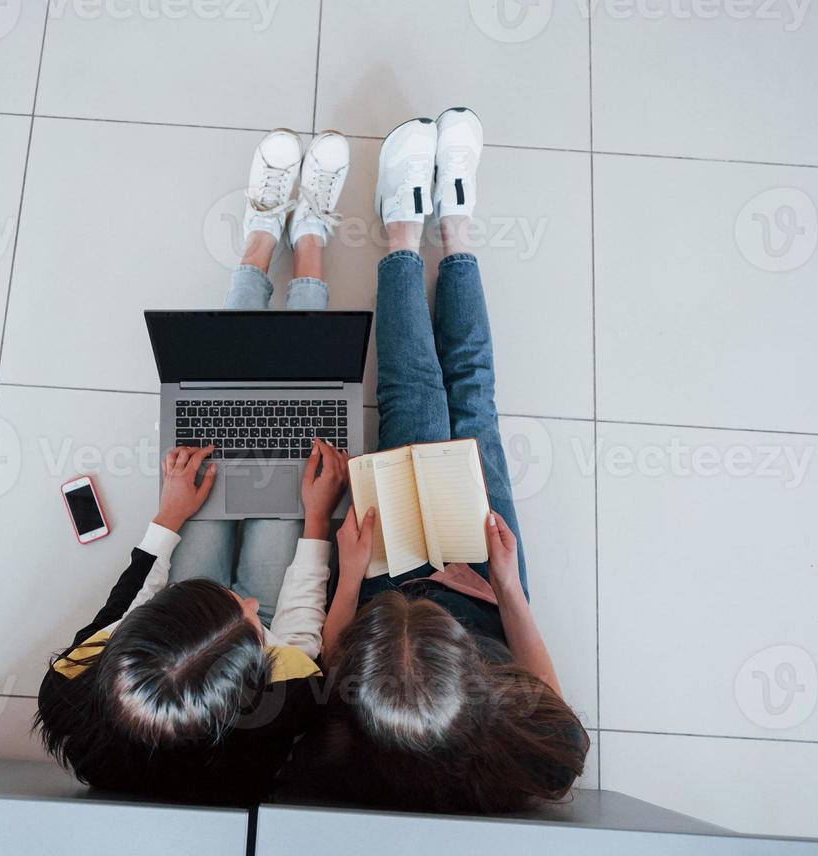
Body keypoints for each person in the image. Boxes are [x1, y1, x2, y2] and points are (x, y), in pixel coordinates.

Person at [35, 128, 352, 806]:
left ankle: (260, 238)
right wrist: (318, 522)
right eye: (244, 612)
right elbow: (293, 628)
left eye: (221, 601)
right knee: (296, 452)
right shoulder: (279, 702)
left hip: (196, 645)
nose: (243, 597)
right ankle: (312, 244)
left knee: (215, 420)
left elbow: (131, 600)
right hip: (243, 662)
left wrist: (168, 514)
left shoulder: (74, 680)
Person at [290, 109, 591, 814]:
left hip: (382, 579)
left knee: (419, 406)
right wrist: (508, 590)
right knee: (476, 406)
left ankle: (403, 228)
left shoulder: (349, 738)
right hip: (490, 598)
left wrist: (356, 576)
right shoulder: (541, 751)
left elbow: (334, 651)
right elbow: (545, 694)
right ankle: (454, 231)